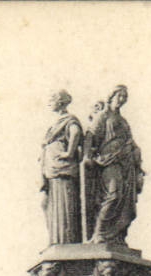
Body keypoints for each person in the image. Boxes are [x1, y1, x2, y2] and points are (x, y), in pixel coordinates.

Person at [86, 85, 142, 246]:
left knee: (126, 202)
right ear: (111, 96)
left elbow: (130, 141)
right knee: (113, 195)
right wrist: (87, 156)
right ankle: (99, 233)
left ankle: (116, 236)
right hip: (109, 161)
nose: (122, 99)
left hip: (127, 163)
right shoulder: (103, 116)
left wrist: (137, 158)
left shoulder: (124, 121)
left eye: (125, 97)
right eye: (120, 96)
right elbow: (91, 136)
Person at [40, 89, 84, 245]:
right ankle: (55, 239)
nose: (49, 102)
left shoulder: (69, 119)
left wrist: (69, 152)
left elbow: (76, 132)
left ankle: (64, 241)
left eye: (52, 99)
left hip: (62, 168)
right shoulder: (56, 123)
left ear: (61, 102)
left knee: (63, 201)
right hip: (51, 168)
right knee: (47, 203)